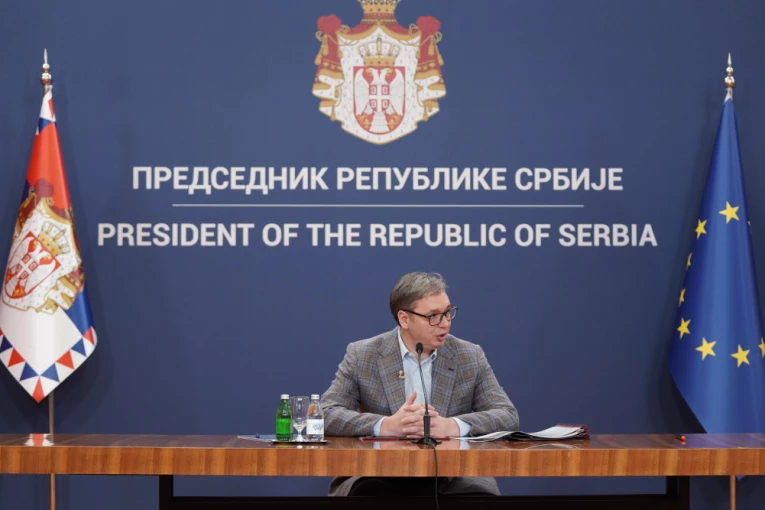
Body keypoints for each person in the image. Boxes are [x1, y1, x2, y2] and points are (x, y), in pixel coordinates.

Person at [321, 272, 519, 497]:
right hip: (380, 470)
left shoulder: (469, 355)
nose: (445, 323)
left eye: (448, 313)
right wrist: (385, 426)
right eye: (433, 316)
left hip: (453, 473)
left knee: (478, 496)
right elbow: (326, 413)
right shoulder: (364, 354)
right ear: (404, 319)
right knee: (370, 492)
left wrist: (451, 426)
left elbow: (507, 415)